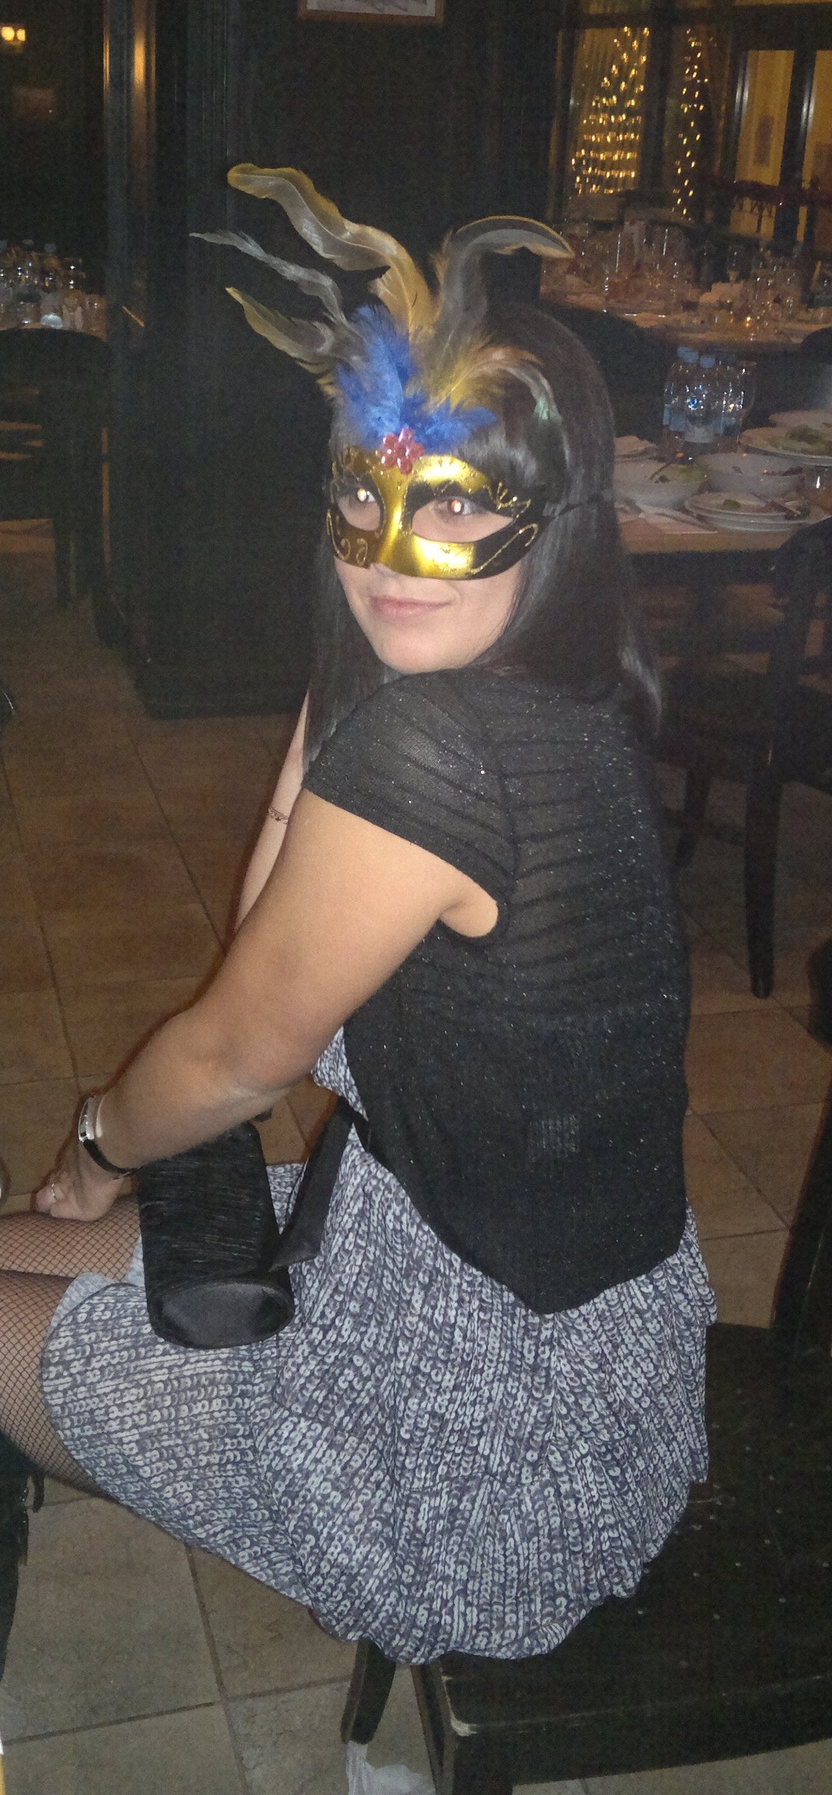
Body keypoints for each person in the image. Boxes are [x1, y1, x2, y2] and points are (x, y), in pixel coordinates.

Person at [0, 171, 714, 1670]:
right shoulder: (551, 690)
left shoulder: (446, 754)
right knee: (21, 1248)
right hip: (538, 1334)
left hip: (471, 1445)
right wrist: (352, 669)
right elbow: (269, 940)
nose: (390, 550)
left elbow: (237, 1056)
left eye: (454, 502)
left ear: (555, 516)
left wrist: (95, 1148)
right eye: (362, 497)